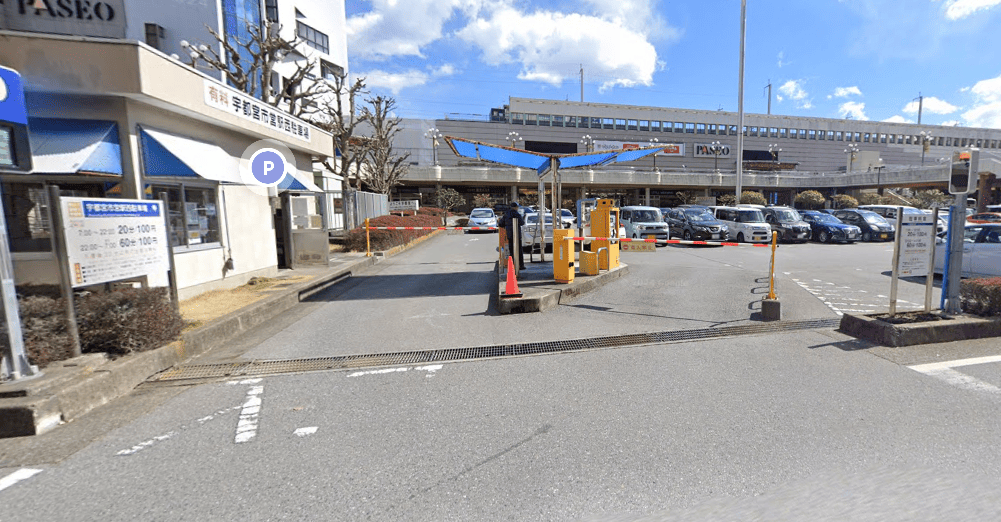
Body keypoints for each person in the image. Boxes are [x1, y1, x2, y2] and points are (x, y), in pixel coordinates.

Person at [499, 201, 525, 270]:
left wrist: (506, 225)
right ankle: (520, 265)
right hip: (517, 235)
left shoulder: (506, 214)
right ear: (515, 207)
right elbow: (522, 222)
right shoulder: (517, 214)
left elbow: (500, 223)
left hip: (509, 235)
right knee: (519, 250)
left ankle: (512, 265)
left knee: (511, 250)